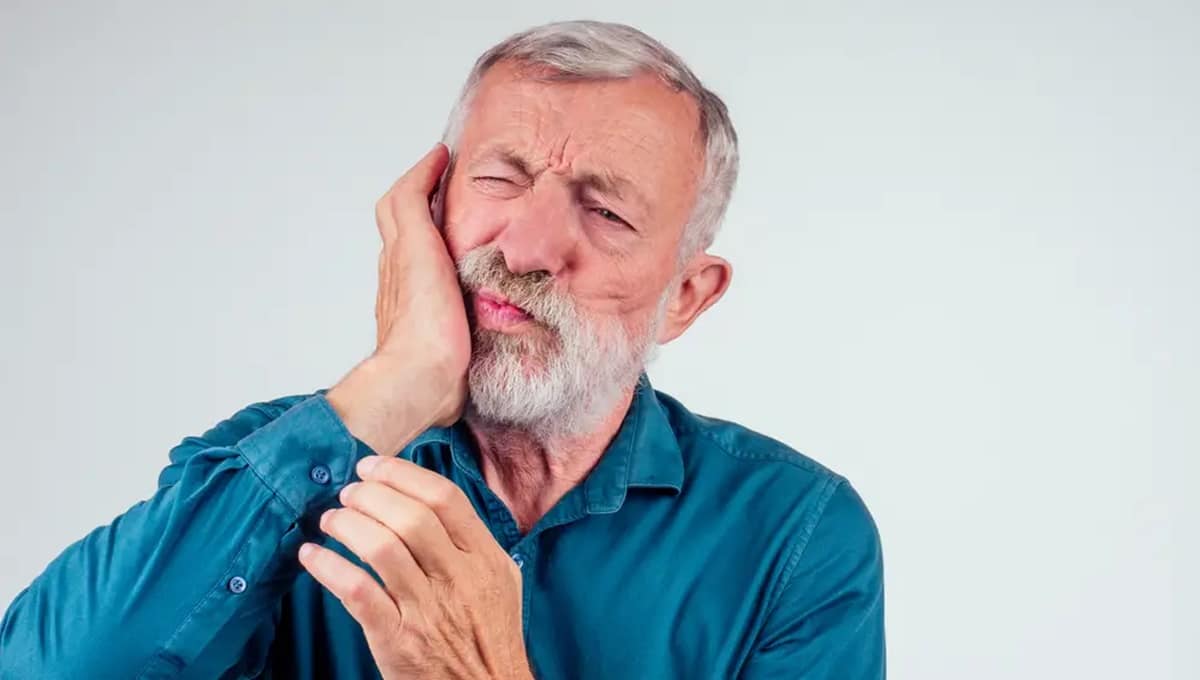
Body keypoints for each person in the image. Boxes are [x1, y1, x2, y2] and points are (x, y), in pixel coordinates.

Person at [0, 20, 884, 679]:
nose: (526, 245)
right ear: (428, 209)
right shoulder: (275, 464)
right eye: (500, 176)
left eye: (606, 211)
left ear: (687, 296)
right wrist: (391, 386)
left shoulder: (794, 535)